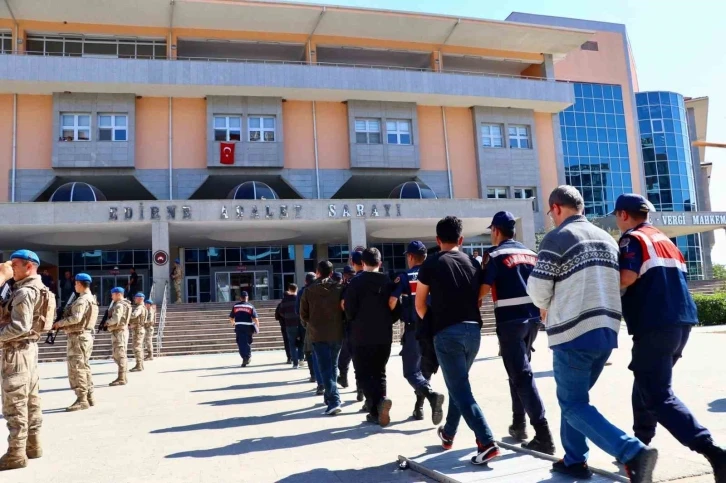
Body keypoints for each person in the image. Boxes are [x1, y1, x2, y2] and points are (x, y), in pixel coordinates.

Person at [527, 185, 657, 482]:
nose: (551, 217)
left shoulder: (558, 237)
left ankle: (632, 451)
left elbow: (538, 289)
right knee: (576, 400)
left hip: (573, 331)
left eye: (550, 212)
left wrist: (546, 305)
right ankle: (574, 459)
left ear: (556, 208)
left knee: (572, 404)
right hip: (606, 331)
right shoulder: (607, 239)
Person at [614, 193, 726, 480]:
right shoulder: (666, 241)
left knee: (658, 395)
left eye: (617, 216)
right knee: (645, 382)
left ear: (623, 215)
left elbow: (627, 277)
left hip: (655, 323)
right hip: (680, 322)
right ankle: (640, 445)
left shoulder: (633, 239)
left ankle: (713, 451)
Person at [415, 216, 500, 466]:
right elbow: (479, 297)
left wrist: (434, 322)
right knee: (458, 384)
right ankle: (448, 434)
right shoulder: (473, 262)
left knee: (461, 388)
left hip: (447, 333)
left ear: (437, 239)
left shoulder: (431, 263)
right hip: (473, 331)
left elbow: (419, 304)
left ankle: (486, 441)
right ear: (461, 239)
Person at [479, 212, 555, 454]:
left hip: (510, 321)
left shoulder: (494, 255)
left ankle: (543, 433)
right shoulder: (531, 254)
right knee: (518, 371)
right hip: (532, 320)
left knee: (521, 375)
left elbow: (483, 289)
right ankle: (518, 424)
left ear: (496, 231)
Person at [0, 250, 54, 471]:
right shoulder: (41, 289)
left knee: (15, 403)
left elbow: (19, 327)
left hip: (16, 352)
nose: (11, 268)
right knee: (31, 400)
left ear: (29, 266)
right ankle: (33, 445)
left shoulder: (24, 291)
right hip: (29, 349)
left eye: (15, 264)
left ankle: (15, 454)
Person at [390, 240, 445, 425]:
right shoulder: (436, 274)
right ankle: (419, 407)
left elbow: (392, 301)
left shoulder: (405, 276)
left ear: (411, 257)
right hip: (436, 329)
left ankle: (431, 395)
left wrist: (394, 315)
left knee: (411, 372)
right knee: (425, 370)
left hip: (415, 329)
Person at [345, 248, 398, 427]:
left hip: (361, 335)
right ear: (380, 263)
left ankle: (376, 409)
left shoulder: (355, 282)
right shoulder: (388, 282)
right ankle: (381, 402)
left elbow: (349, 311)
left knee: (363, 374)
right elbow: (395, 309)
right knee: (379, 372)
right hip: (383, 335)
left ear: (363, 263)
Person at [300, 261, 345, 416]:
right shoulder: (340, 288)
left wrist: (311, 324)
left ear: (317, 272)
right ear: (331, 273)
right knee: (332, 366)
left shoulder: (308, 290)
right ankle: (329, 396)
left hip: (318, 334)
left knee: (325, 368)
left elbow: (303, 314)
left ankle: (334, 400)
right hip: (336, 333)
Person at [52, 273, 99, 412]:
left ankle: (82, 399)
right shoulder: (92, 299)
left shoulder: (82, 300)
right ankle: (89, 396)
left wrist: (59, 323)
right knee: (84, 367)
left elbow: (76, 318)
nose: (74, 285)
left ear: (79, 283)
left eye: (75, 283)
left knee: (77, 368)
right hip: (85, 336)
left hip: (78, 337)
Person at [105, 287, 132, 387]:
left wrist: (107, 323)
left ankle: (121, 378)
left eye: (113, 294)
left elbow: (116, 319)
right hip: (121, 331)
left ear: (118, 294)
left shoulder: (119, 305)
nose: (111, 296)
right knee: (119, 355)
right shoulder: (125, 304)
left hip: (119, 332)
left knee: (120, 355)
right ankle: (123, 377)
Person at [296, 272, 318, 384]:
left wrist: (304, 323)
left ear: (305, 281)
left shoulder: (302, 292)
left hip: (309, 324)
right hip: (324, 325)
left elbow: (298, 310)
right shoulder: (322, 289)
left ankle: (313, 374)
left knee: (309, 350)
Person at [229, 291, 259, 367]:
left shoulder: (236, 306)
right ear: (247, 298)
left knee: (240, 342)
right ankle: (247, 357)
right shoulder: (250, 306)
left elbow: (231, 318)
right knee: (247, 342)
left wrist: (233, 323)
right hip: (248, 327)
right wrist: (257, 327)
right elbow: (255, 318)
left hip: (239, 326)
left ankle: (245, 357)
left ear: (240, 298)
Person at [276, 283, 303, 369]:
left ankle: (295, 363)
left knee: (292, 344)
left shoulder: (284, 300)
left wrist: (287, 317)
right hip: (300, 323)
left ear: (289, 290)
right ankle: (301, 358)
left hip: (289, 324)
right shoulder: (299, 298)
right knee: (301, 342)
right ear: (296, 289)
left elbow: (281, 312)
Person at [128, 292, 148, 373]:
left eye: (136, 298)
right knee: (139, 347)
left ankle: (139, 365)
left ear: (140, 299)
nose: (134, 299)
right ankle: (140, 365)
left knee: (137, 348)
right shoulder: (143, 307)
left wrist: (127, 315)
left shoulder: (139, 308)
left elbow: (134, 315)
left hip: (138, 330)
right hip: (139, 329)